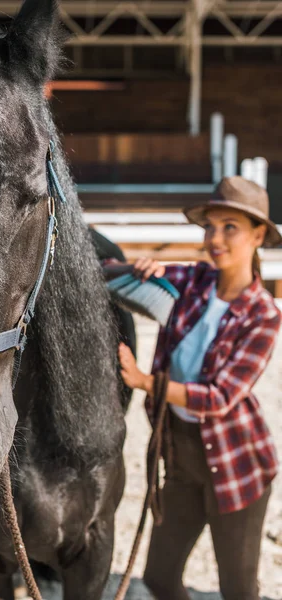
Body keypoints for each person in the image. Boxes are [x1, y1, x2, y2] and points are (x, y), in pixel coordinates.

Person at [118, 176, 281, 600]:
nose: (215, 237)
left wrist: (144, 382)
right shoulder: (195, 281)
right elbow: (117, 278)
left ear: (258, 235)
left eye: (231, 227)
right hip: (182, 454)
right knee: (159, 578)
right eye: (210, 226)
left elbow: (221, 398)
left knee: (238, 590)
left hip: (236, 464)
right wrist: (141, 268)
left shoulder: (263, 314)